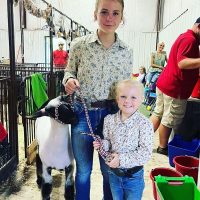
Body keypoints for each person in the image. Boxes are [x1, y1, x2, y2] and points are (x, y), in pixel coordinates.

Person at [63, 0, 133, 199]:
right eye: (104, 12)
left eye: (115, 13)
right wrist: (68, 80)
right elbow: (69, 71)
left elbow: (127, 86)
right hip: (82, 113)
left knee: (108, 169)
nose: (109, 18)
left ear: (122, 17)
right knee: (83, 170)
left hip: (112, 117)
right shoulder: (79, 45)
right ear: (95, 14)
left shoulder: (126, 52)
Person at [93, 79, 154, 200]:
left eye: (133, 97)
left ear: (142, 99)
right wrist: (101, 144)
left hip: (134, 177)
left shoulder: (145, 124)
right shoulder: (109, 120)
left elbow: (145, 153)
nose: (127, 101)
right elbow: (108, 143)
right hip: (114, 174)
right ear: (117, 99)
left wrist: (120, 160)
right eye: (123, 96)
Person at [150, 17, 200, 155]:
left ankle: (142, 141)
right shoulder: (191, 40)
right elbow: (182, 62)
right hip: (174, 87)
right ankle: (162, 147)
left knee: (158, 113)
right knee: (169, 118)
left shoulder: (184, 37)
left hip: (166, 83)